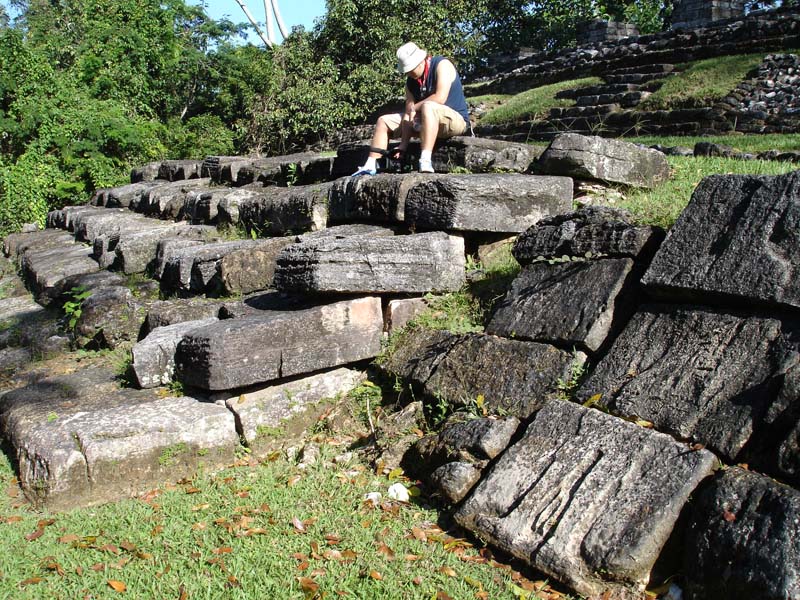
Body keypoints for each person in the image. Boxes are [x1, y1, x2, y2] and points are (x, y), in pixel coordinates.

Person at [352, 42, 471, 176]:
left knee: (428, 106)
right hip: (424, 121)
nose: (408, 73)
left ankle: (425, 159)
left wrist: (416, 108)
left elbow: (440, 97)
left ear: (420, 62)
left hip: (454, 121)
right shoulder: (410, 81)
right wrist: (403, 145)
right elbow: (409, 113)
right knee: (383, 121)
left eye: (410, 69)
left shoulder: (442, 65)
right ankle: (371, 164)